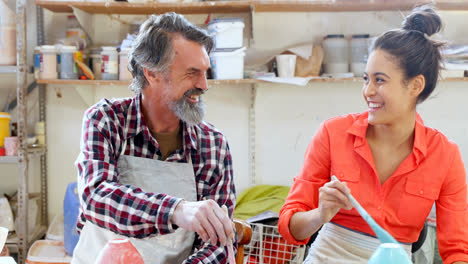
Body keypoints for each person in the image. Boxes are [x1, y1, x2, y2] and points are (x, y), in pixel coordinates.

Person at [278, 5, 468, 264]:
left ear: (415, 85)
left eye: (380, 80)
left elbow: (457, 251)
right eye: (366, 79)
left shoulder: (444, 155)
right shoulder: (333, 134)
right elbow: (289, 227)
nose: (367, 91)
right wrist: (319, 215)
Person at [73, 12, 236, 264]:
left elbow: (219, 244)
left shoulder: (212, 144)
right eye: (192, 73)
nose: (204, 85)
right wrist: (176, 210)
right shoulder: (106, 120)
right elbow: (97, 196)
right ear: (152, 73)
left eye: (206, 72)